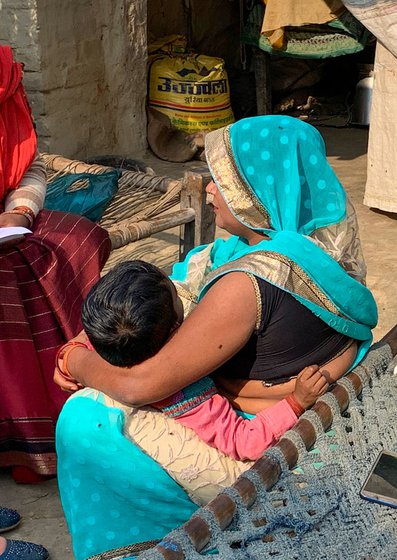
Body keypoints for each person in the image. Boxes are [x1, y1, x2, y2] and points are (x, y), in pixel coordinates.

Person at [53, 115, 377, 559]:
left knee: (84, 419)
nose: (208, 190)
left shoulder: (248, 283)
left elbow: (140, 384)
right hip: (298, 420)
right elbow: (168, 293)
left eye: (221, 179)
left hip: (259, 444)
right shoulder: (318, 249)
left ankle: (154, 545)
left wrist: (74, 358)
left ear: (255, 189)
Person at [76, 259, 332, 461]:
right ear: (177, 326)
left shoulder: (104, 344)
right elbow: (244, 442)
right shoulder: (189, 394)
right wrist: (296, 402)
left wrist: (71, 352)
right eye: (176, 295)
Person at [0, 45, 110, 481]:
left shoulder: (7, 75)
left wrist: (20, 212)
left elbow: (31, 166)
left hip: (7, 213)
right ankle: (25, 436)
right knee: (9, 273)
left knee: (81, 239)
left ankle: (81, 389)